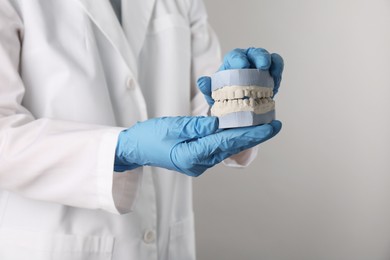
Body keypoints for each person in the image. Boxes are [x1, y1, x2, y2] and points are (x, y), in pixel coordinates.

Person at [0, 0, 283, 259]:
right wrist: (118, 150)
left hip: (166, 242)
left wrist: (236, 104)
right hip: (55, 244)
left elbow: (204, 99)